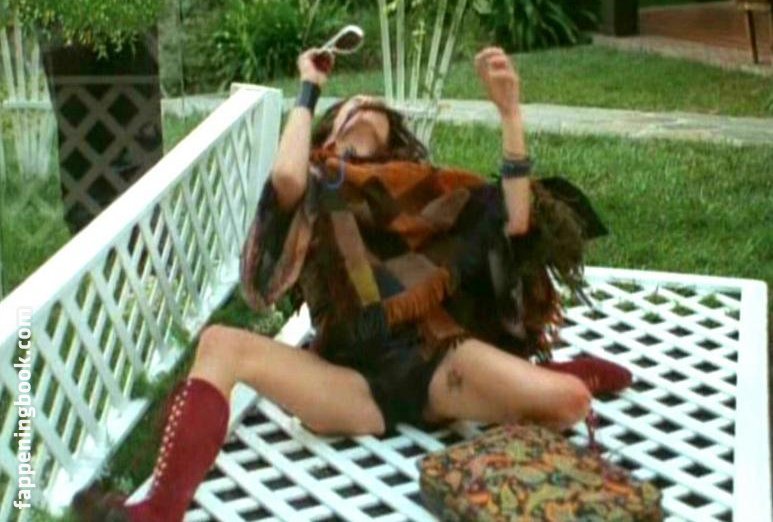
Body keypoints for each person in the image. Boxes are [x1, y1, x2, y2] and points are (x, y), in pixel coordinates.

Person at [74, 47, 631, 522]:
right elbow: (286, 176)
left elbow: (514, 221)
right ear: (329, 131)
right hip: (351, 383)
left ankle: (559, 373)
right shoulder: (316, 185)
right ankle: (154, 512)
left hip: (435, 362)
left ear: (394, 139)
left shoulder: (423, 189)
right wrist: (309, 88)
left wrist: (509, 112)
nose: (363, 105)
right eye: (350, 108)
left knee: (569, 402)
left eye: (373, 108)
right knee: (221, 344)